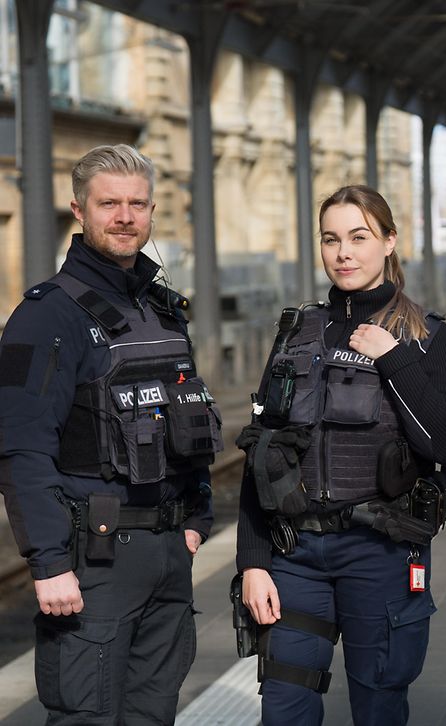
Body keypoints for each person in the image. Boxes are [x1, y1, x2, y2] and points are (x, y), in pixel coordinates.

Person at [0, 144, 219, 724]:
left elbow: (186, 413)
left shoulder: (164, 310)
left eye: (137, 204)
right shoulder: (46, 316)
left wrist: (196, 522)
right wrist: (47, 563)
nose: (125, 216)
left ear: (151, 211)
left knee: (153, 715)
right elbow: (21, 446)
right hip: (93, 563)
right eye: (109, 204)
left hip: (168, 555)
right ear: (79, 210)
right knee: (86, 716)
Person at [236, 185, 446, 726]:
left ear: (389, 241)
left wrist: (395, 360)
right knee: (285, 709)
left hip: (381, 554)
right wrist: (252, 561)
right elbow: (262, 450)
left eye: (359, 237)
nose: (344, 252)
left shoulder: (422, 334)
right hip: (295, 556)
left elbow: (444, 441)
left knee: (379, 704)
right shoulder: (296, 331)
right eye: (331, 239)